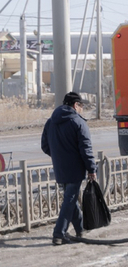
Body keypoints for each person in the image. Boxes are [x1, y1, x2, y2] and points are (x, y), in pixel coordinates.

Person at [41, 92, 97, 246]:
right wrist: (91, 169)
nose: (82, 109)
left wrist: (59, 156)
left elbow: (45, 146)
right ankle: (59, 234)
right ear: (75, 105)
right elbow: (86, 149)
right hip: (75, 168)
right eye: (81, 106)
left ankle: (79, 230)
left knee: (70, 199)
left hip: (60, 167)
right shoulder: (78, 122)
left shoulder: (51, 121)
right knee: (70, 199)